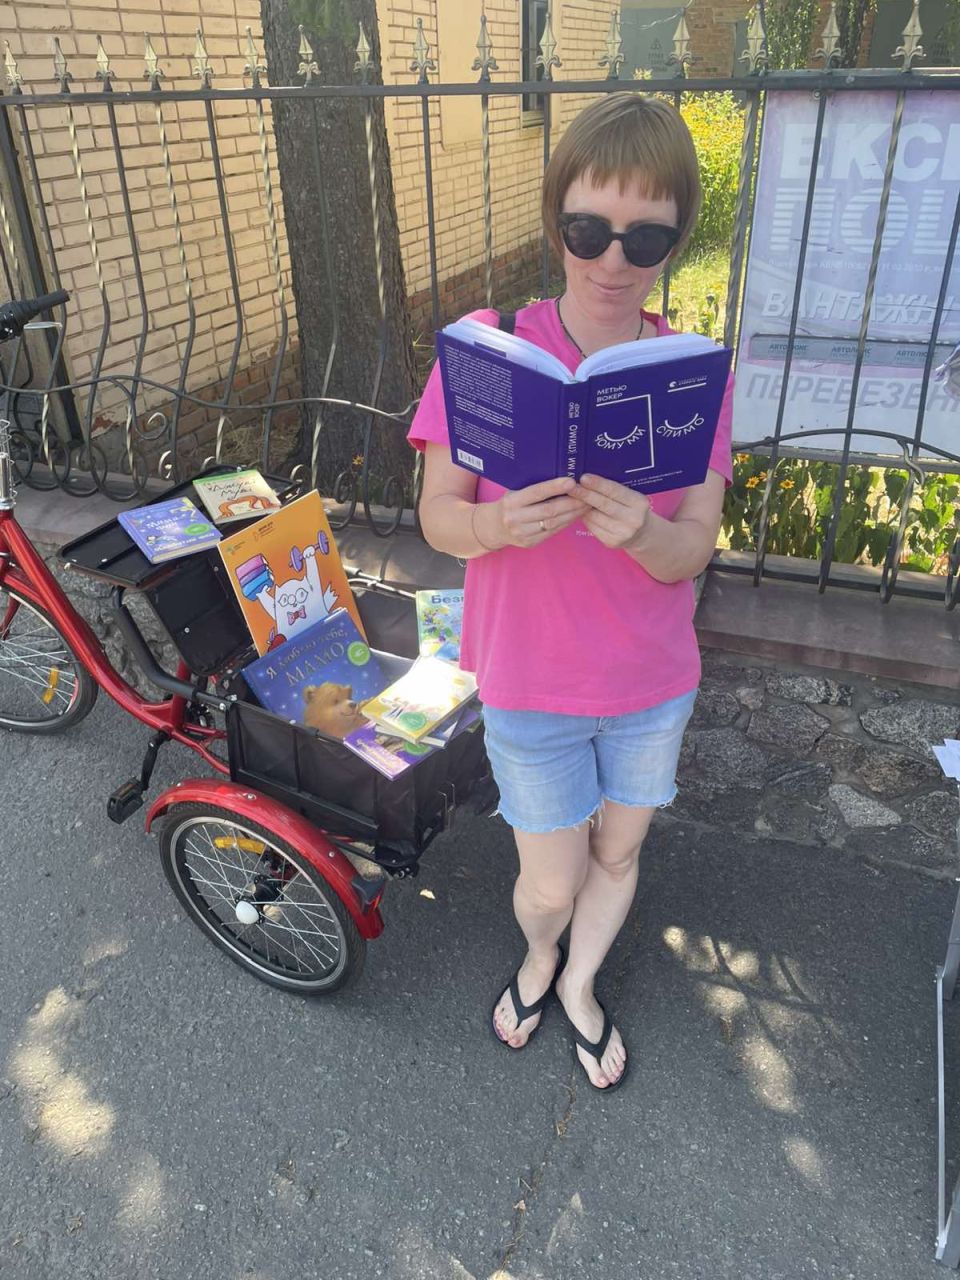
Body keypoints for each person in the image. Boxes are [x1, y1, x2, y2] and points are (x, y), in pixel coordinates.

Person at [407, 93, 733, 1091]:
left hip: (648, 680)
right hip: (531, 677)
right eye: (589, 230)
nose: (613, 260)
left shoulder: (690, 374)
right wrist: (499, 526)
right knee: (549, 881)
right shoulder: (489, 348)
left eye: (647, 237)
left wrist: (646, 535)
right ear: (557, 222)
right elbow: (438, 518)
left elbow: (694, 549)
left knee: (619, 855)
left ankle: (582, 984)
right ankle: (542, 952)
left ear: (676, 240)